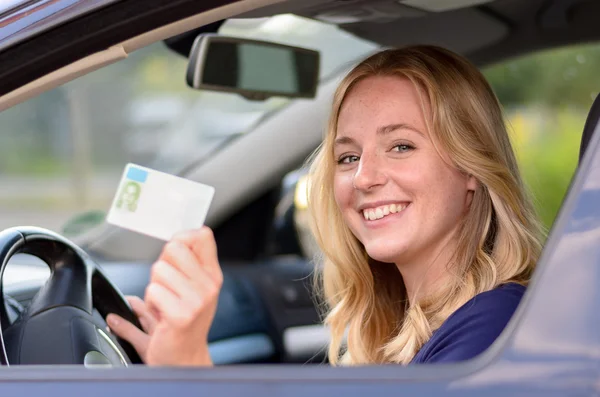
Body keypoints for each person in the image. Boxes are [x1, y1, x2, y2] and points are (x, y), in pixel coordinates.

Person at [107, 45, 544, 366]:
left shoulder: (492, 329)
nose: (364, 177)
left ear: (471, 167)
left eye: (401, 146)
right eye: (348, 157)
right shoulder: (425, 325)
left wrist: (188, 375)